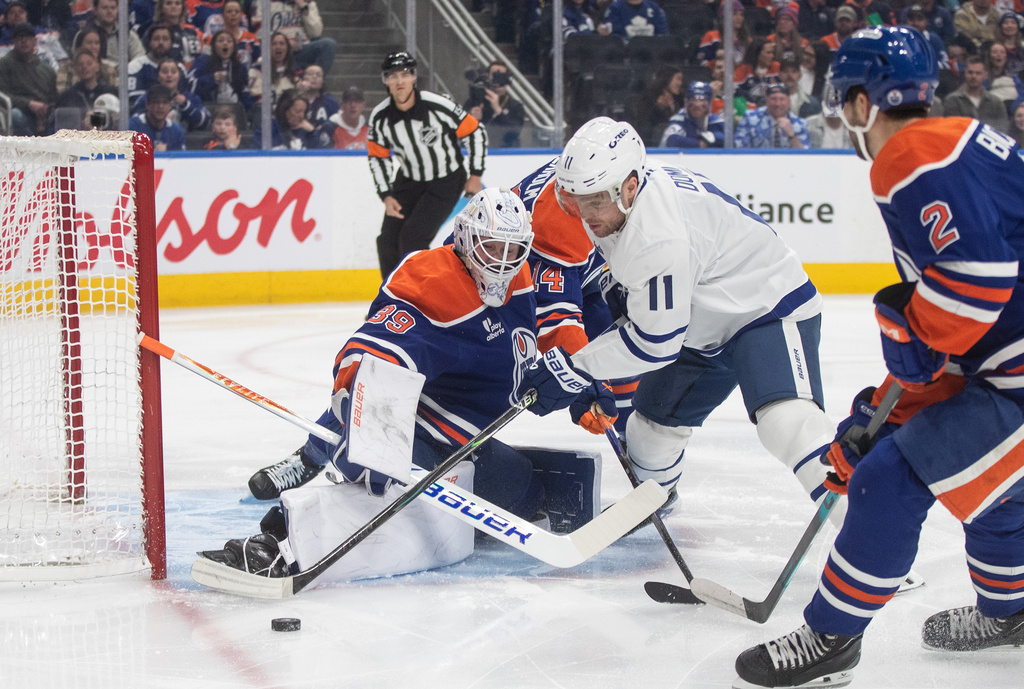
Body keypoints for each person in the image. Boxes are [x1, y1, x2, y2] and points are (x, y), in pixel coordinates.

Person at [732, 25, 1024, 688]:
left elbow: (976, 285)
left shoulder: (907, 156)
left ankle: (833, 638)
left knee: (887, 479)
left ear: (865, 103)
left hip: (1015, 379)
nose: (846, 121)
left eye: (845, 106)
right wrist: (885, 407)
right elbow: (963, 325)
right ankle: (1011, 612)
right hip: (1006, 369)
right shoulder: (959, 138)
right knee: (996, 489)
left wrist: (908, 337)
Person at [516, 116, 844, 550]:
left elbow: (653, 344)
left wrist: (574, 368)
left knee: (785, 423)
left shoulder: (655, 235)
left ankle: (871, 542)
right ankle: (656, 501)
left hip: (765, 306)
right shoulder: (614, 211)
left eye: (594, 201)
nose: (583, 214)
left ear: (629, 188)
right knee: (648, 438)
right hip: (697, 320)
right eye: (574, 200)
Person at [229, 189, 552, 583]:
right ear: (466, 240)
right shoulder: (433, 280)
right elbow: (370, 356)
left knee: (526, 491)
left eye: (512, 249)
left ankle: (324, 457)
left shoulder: (523, 277)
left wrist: (578, 374)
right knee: (380, 490)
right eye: (491, 247)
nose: (502, 260)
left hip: (467, 438)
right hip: (410, 427)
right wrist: (374, 435)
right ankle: (280, 534)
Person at [367, 51, 486, 279]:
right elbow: (377, 156)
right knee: (387, 241)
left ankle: (417, 298)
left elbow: (474, 131)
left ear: (414, 77)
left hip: (446, 179)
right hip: (408, 181)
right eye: (393, 76)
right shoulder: (380, 116)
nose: (399, 81)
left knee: (412, 238)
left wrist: (475, 173)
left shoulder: (437, 106)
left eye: (404, 75)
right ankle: (390, 299)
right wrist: (386, 195)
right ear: (385, 80)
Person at [0, 22, 56, 135]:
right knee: (15, 115)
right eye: (20, 38)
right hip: (18, 114)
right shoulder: (4, 64)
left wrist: (46, 109)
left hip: (45, 117)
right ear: (14, 42)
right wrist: (28, 103)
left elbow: (54, 97)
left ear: (34, 41)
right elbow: (3, 95)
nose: (24, 41)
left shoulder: (47, 70)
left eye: (28, 37)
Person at [251, 0, 335, 74]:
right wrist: (285, 43)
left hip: (302, 49)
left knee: (328, 44)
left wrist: (304, 8)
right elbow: (259, 32)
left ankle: (315, 83)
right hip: (275, 51)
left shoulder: (308, 2)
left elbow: (316, 33)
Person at [132, 57, 209, 130]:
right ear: (157, 76)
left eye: (173, 72)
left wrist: (186, 106)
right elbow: (135, 120)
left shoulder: (190, 97)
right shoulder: (147, 97)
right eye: (164, 72)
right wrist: (157, 117)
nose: (169, 75)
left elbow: (204, 121)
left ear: (179, 75)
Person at [465, 60, 525, 148]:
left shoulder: (515, 106)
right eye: (493, 75)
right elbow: (461, 130)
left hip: (507, 153)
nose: (497, 79)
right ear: (488, 77)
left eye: (501, 75)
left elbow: (515, 132)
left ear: (507, 79)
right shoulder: (476, 101)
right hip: (481, 150)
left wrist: (498, 111)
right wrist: (473, 119)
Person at [191, 28, 253, 112]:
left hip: (234, 111)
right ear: (213, 45)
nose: (225, 43)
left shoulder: (240, 67)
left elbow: (244, 93)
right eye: (220, 41)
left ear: (234, 46)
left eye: (229, 41)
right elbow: (192, 86)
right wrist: (212, 78)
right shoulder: (203, 61)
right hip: (208, 108)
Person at [942, 55, 1010, 132]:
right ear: (965, 73)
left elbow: (1003, 128)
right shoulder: (952, 100)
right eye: (970, 72)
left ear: (985, 75)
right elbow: (951, 128)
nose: (973, 76)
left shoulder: (996, 102)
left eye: (978, 73)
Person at [55, 47, 117, 128]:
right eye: (80, 64)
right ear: (75, 68)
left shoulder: (111, 92)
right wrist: (81, 125)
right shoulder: (67, 96)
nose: (84, 67)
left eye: (89, 63)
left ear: (97, 66)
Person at [736, 83, 811, 148]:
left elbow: (805, 156)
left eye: (782, 99)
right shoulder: (749, 118)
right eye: (773, 99)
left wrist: (792, 135)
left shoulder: (800, 124)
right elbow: (740, 148)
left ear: (789, 102)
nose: (777, 104)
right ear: (767, 101)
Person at [628, 63, 683, 146]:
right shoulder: (648, 99)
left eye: (681, 80)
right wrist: (659, 109)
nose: (680, 83)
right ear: (667, 79)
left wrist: (672, 111)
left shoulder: (679, 100)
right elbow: (643, 126)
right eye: (678, 79)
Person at [659, 81, 725, 148]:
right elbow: (672, 140)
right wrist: (700, 144)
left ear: (709, 103)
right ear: (686, 102)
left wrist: (712, 136)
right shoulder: (680, 119)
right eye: (693, 100)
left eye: (702, 100)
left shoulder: (715, 120)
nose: (697, 105)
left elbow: (727, 140)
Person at [127, 23, 174, 107]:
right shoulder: (135, 66)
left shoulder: (178, 68)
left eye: (165, 39)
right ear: (149, 42)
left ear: (171, 43)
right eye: (156, 39)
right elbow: (132, 99)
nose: (161, 43)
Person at [128, 83, 186, 150]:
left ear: (170, 106)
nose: (161, 106)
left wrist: (168, 151)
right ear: (147, 105)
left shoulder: (176, 131)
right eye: (156, 102)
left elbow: (182, 158)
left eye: (165, 103)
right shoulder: (132, 127)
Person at [88, 0, 145, 66]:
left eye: (113, 8)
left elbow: (140, 59)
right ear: (95, 10)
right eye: (105, 8)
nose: (109, 11)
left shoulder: (128, 35)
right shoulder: (84, 35)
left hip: (125, 74)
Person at [247, 30, 295, 107]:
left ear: (287, 48)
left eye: (281, 44)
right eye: (274, 44)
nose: (278, 47)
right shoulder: (257, 69)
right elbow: (255, 96)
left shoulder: (294, 70)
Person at [698, 0, 750, 69]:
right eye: (734, 14)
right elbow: (702, 63)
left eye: (741, 14)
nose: (739, 18)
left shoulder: (748, 40)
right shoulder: (712, 36)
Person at [152, 0, 203, 69]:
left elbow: (198, 57)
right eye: (168, 3)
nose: (173, 6)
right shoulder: (154, 31)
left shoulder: (192, 31)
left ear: (182, 7)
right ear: (161, 7)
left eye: (177, 3)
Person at [734, 36, 782, 108]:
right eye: (768, 53)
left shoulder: (777, 68)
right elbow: (735, 94)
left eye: (772, 52)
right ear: (757, 53)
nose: (772, 56)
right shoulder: (743, 70)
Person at [903, 4, 950, 70]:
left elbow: (946, 65)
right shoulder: (901, 40)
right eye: (911, 19)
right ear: (906, 21)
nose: (915, 23)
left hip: (930, 78)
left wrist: (924, 65)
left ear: (926, 21)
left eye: (919, 19)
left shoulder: (933, 39)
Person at [597, 0, 668, 42]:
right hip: (625, 56)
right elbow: (613, 38)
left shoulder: (654, 7)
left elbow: (662, 34)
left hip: (652, 55)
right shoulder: (615, 8)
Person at [327, 85, 368, 150]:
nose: (353, 105)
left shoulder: (369, 128)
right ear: (342, 105)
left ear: (363, 105)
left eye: (357, 101)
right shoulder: (330, 128)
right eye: (349, 101)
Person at [984, 41, 1024, 106]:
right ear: (990, 57)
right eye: (995, 52)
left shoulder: (1014, 78)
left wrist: (1014, 106)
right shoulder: (984, 78)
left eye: (1002, 52)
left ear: (1005, 57)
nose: (998, 55)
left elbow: (1022, 95)